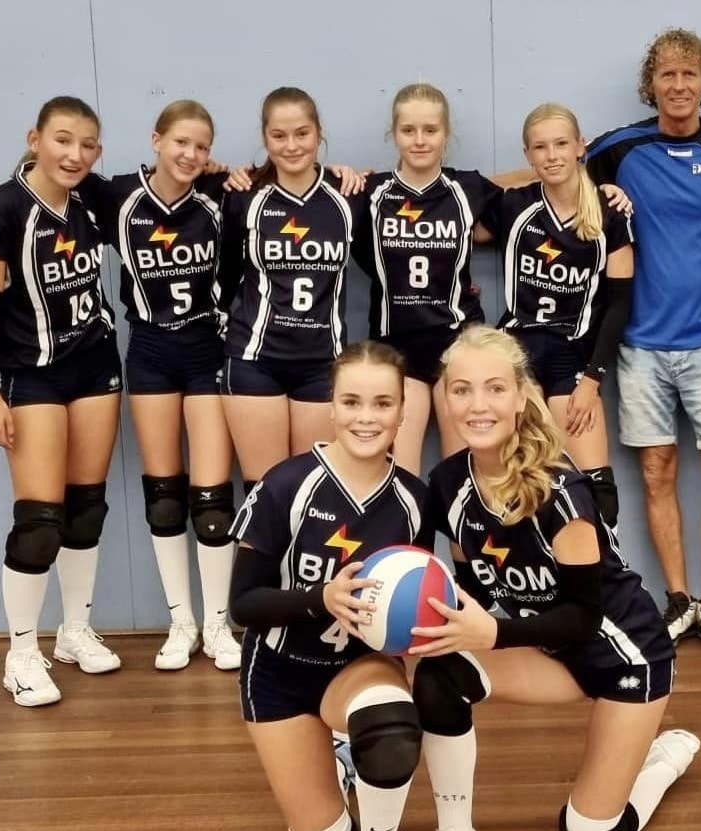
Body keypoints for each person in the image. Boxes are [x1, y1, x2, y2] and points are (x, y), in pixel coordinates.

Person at [405, 325, 698, 831]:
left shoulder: (561, 492)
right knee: (439, 668)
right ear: (445, 399)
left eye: (494, 388)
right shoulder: (448, 484)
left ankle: (661, 760)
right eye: (461, 390)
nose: (478, 405)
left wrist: (494, 633)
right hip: (550, 652)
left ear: (521, 396)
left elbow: (584, 618)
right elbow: (467, 581)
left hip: (624, 658)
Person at [228, 341, 431, 831]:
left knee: (391, 727)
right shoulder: (286, 484)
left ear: (402, 412)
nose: (367, 417)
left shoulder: (414, 502)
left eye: (383, 403)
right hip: (279, 673)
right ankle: (340, 762)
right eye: (352, 401)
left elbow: (409, 602)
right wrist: (321, 598)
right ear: (332, 406)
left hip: (357, 666)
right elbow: (243, 605)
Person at [585, 28, 701, 658]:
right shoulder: (620, 148)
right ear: (650, 84)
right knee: (656, 472)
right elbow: (550, 171)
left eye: (689, 75)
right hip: (641, 346)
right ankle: (679, 601)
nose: (678, 85)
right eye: (667, 75)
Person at [0, 96, 124, 706]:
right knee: (39, 521)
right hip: (31, 375)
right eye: (63, 140)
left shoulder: (94, 199)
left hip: (95, 367)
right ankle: (21, 652)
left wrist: (222, 170)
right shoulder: (1, 208)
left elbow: (167, 185)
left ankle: (74, 631)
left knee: (86, 510)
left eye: (87, 145)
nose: (74, 154)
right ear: (35, 138)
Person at [80, 100, 241, 671]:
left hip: (207, 352)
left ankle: (218, 623)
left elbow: (285, 172)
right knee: (165, 495)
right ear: (156, 140)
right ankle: (182, 622)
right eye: (180, 143)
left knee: (212, 500)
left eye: (201, 147)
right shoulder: (118, 195)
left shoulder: (219, 193)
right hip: (149, 353)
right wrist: (2, 194)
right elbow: (47, 178)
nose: (190, 155)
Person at [486, 101, 635, 529]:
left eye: (561, 145)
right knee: (523, 485)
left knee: (598, 492)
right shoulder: (515, 206)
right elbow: (460, 198)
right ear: (528, 154)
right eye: (540, 148)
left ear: (581, 146)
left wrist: (593, 379)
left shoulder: (609, 212)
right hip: (517, 358)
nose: (552, 156)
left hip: (574, 358)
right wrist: (531, 174)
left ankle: (604, 571)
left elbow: (620, 304)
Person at [219, 86, 365, 494]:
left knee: (313, 490)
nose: (292, 145)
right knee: (265, 494)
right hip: (254, 360)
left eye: (302, 133)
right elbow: (224, 276)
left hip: (322, 363)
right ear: (264, 138)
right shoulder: (244, 196)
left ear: (319, 133)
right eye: (279, 136)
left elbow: (388, 260)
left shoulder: (349, 195)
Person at [354, 83, 502, 475]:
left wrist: (589, 179)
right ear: (394, 134)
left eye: (430, 130)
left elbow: (532, 191)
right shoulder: (369, 192)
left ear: (446, 134)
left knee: (464, 475)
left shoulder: (467, 187)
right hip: (395, 345)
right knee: (398, 476)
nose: (419, 140)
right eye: (408, 130)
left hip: (457, 343)